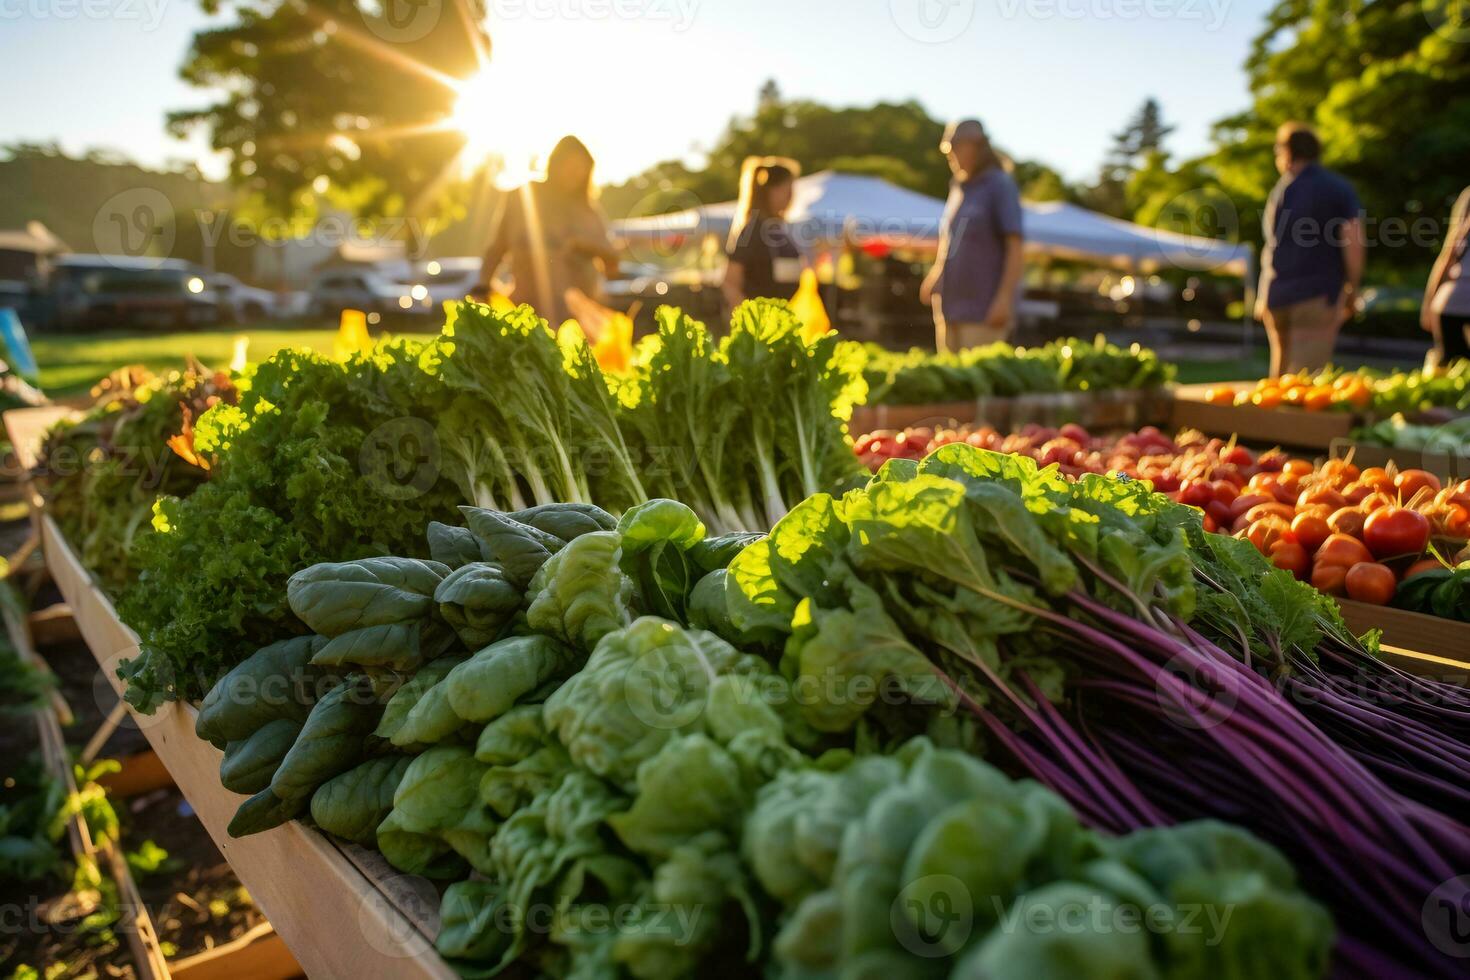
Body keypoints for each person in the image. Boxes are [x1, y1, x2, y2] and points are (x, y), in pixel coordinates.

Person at [1254, 122, 1365, 376]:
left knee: (1278, 380)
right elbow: (1353, 240)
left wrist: (1262, 295)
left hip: (1276, 293)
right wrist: (1353, 288)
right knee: (1305, 382)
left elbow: (1270, 246)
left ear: (1287, 152)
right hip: (1317, 295)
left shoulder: (1280, 191)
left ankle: (1268, 418)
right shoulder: (1337, 188)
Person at [472, 135, 619, 325]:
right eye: (570, 165)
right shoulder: (522, 199)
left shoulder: (587, 211)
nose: (575, 174)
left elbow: (612, 266)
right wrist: (482, 287)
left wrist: (583, 246)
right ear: (554, 163)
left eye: (581, 169)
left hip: (576, 320)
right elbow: (496, 249)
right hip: (526, 312)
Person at [920, 118, 1025, 352]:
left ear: (974, 146)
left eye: (954, 149)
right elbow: (950, 240)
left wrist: (1005, 299)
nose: (951, 156)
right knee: (949, 380)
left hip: (983, 311)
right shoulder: (959, 187)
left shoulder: (1000, 185)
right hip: (950, 306)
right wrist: (936, 274)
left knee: (975, 384)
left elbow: (1015, 247)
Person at [722, 156, 803, 310]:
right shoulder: (751, 230)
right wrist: (751, 320)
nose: (791, 196)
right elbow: (730, 282)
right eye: (787, 189)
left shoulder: (778, 229)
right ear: (770, 190)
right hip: (759, 325)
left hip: (780, 318)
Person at [1421, 185, 1470, 366]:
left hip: (1449, 302)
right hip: (1453, 302)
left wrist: (1428, 304)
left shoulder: (1460, 233)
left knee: (1449, 365)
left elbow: (1444, 263)